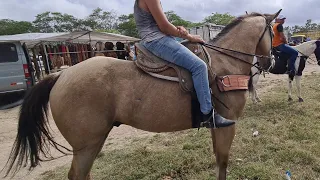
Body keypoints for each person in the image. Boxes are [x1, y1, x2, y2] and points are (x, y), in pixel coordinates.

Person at [133, 0, 235, 128]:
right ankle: (208, 115)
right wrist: (190, 37)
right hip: (156, 40)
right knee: (199, 66)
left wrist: (178, 30)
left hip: (159, 38)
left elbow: (162, 25)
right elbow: (163, 26)